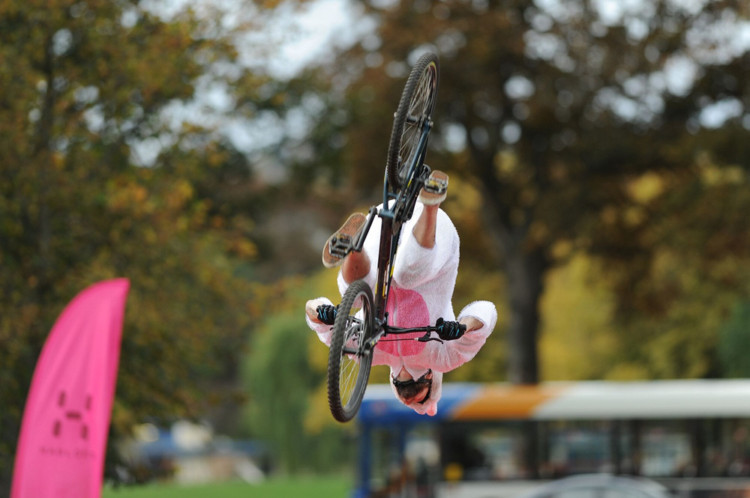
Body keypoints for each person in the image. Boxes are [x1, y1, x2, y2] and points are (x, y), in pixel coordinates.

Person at [305, 170, 497, 416]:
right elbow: (487, 312)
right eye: (419, 398)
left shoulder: (370, 355)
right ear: (431, 382)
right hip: (435, 243)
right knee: (408, 275)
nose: (409, 399)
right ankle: (431, 203)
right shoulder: (444, 357)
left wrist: (322, 313)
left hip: (379, 231)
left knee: (350, 290)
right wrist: (462, 327)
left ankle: (352, 246)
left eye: (405, 397)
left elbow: (321, 325)